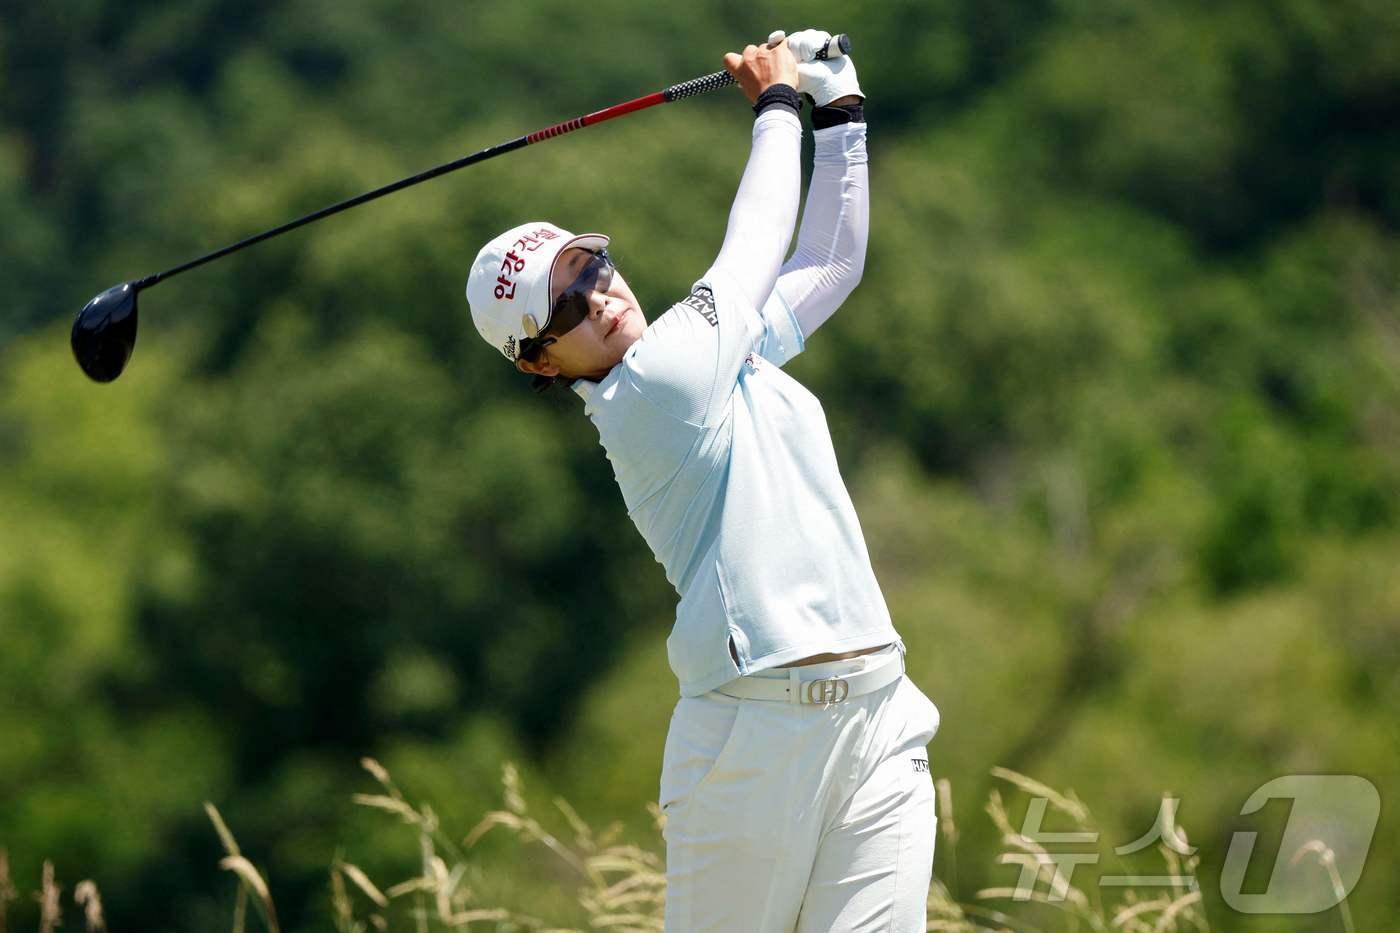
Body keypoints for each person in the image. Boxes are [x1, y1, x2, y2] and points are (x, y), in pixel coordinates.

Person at [466, 30, 941, 931]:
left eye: (592, 267)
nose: (600, 296)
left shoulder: (718, 354)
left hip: (878, 713)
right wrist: (775, 105)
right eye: (566, 306)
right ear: (539, 363)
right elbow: (758, 240)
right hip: (750, 745)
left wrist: (840, 112)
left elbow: (828, 265)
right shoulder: (652, 393)